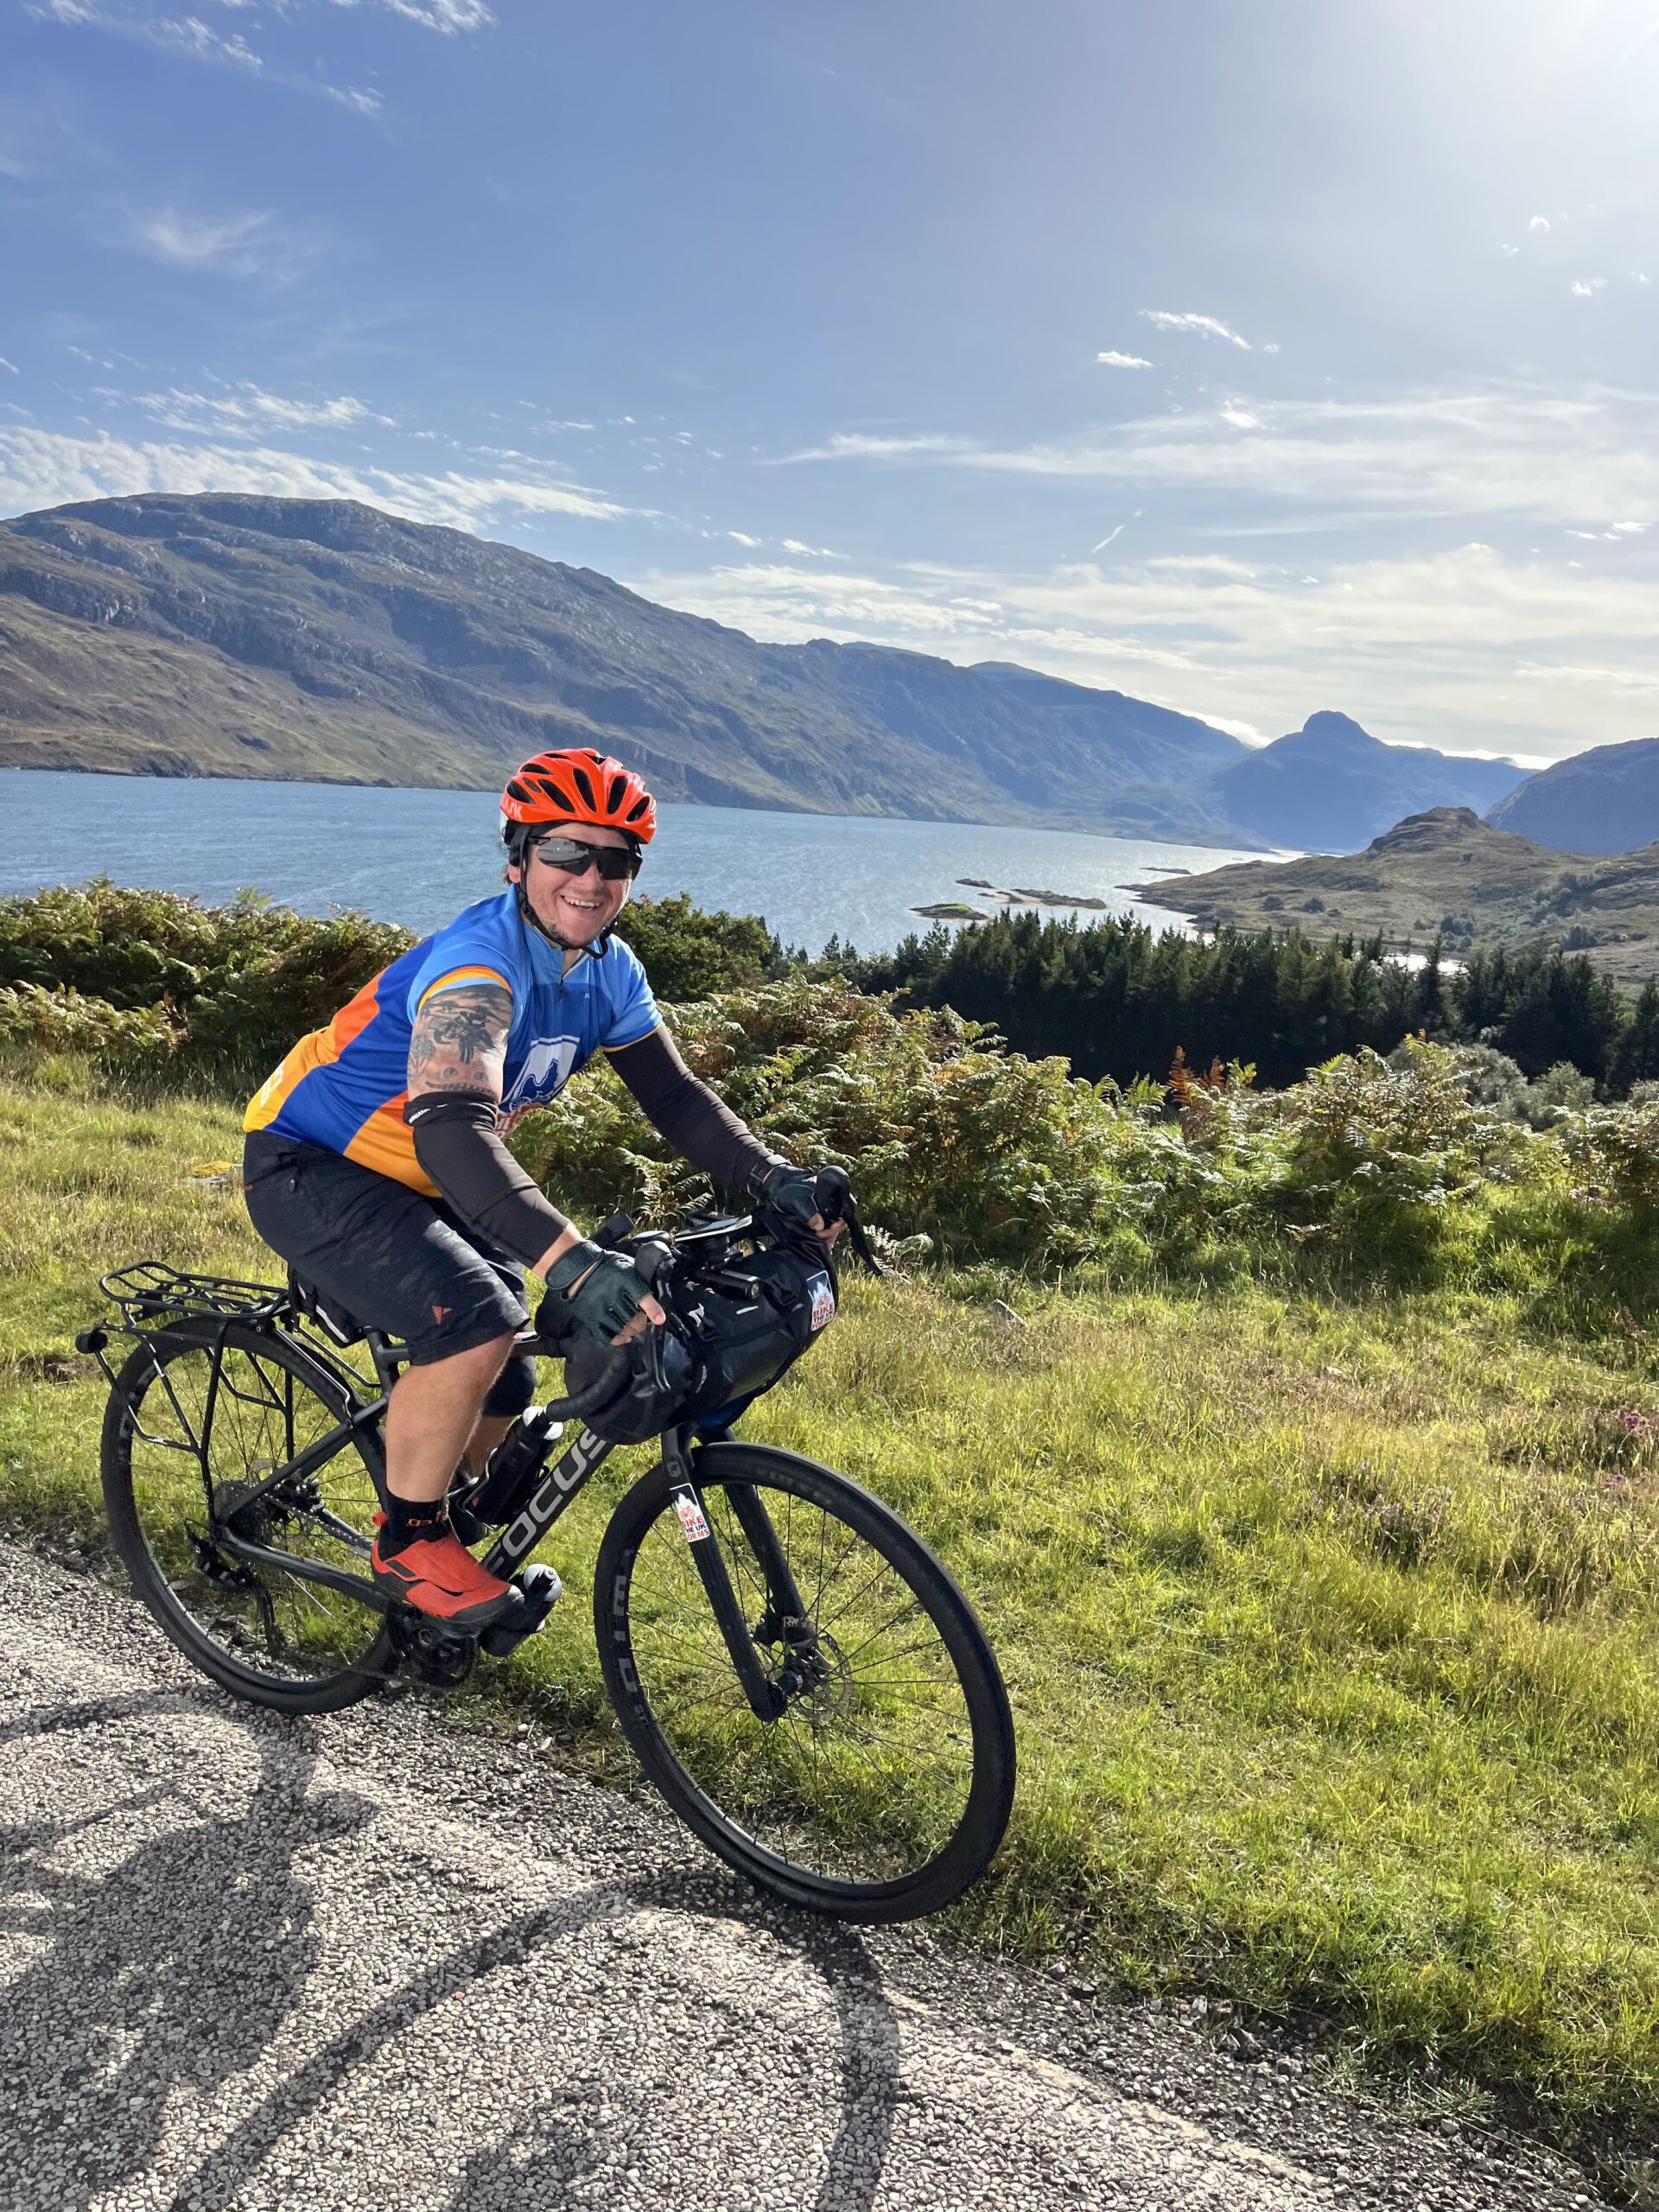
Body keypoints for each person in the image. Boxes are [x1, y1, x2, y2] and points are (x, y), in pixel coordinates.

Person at [240, 747, 836, 1632]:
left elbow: (673, 1097)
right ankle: (408, 1540)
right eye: (567, 852)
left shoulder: (607, 970)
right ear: (518, 858)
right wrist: (572, 1260)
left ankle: (454, 1514)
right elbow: (449, 1124)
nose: (591, 878)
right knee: (474, 1314)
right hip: (312, 1160)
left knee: (511, 1377)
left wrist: (771, 1175)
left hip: (428, 1178)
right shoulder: (478, 967)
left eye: (617, 859)